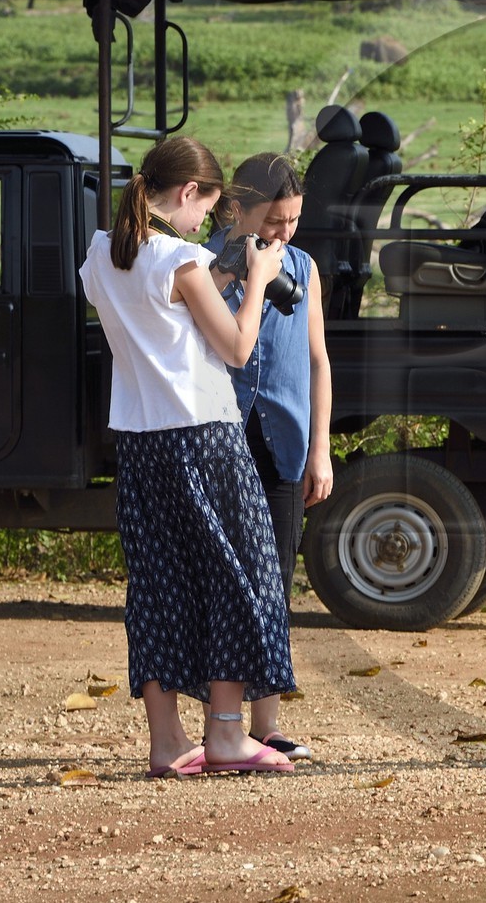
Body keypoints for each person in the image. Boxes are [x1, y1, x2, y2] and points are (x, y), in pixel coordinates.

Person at [78, 136, 296, 777]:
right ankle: (226, 735)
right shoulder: (181, 259)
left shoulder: (101, 255)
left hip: (140, 440)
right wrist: (256, 281)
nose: (205, 222)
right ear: (188, 192)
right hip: (204, 436)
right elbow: (236, 348)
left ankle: (167, 742)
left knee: (159, 585)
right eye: (205, 207)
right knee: (240, 574)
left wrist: (218, 274)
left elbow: (160, 311)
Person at [204, 153, 334, 761]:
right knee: (220, 576)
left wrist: (320, 450)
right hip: (218, 437)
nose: (285, 232)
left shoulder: (303, 268)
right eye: (275, 220)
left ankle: (267, 722)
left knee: (274, 578)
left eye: (294, 220)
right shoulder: (200, 263)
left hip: (284, 440)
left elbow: (318, 361)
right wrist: (236, 269)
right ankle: (220, 722)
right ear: (237, 209)